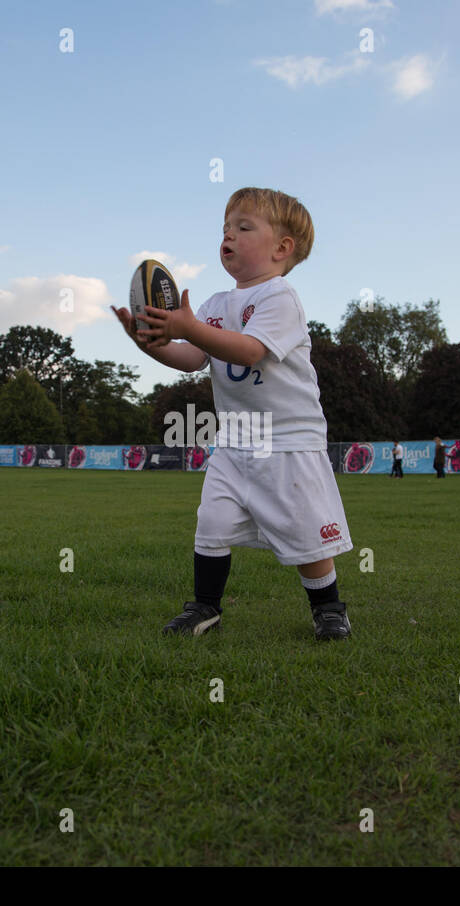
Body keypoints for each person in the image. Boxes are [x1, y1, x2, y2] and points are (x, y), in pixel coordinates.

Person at [113, 186, 353, 640]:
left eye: (244, 228)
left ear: (283, 248)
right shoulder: (215, 305)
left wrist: (190, 328)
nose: (229, 236)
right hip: (236, 439)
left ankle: (328, 608)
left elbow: (249, 352)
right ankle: (205, 607)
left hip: (287, 441)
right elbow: (190, 358)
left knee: (307, 536)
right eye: (225, 228)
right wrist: (153, 343)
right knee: (213, 522)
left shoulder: (279, 297)